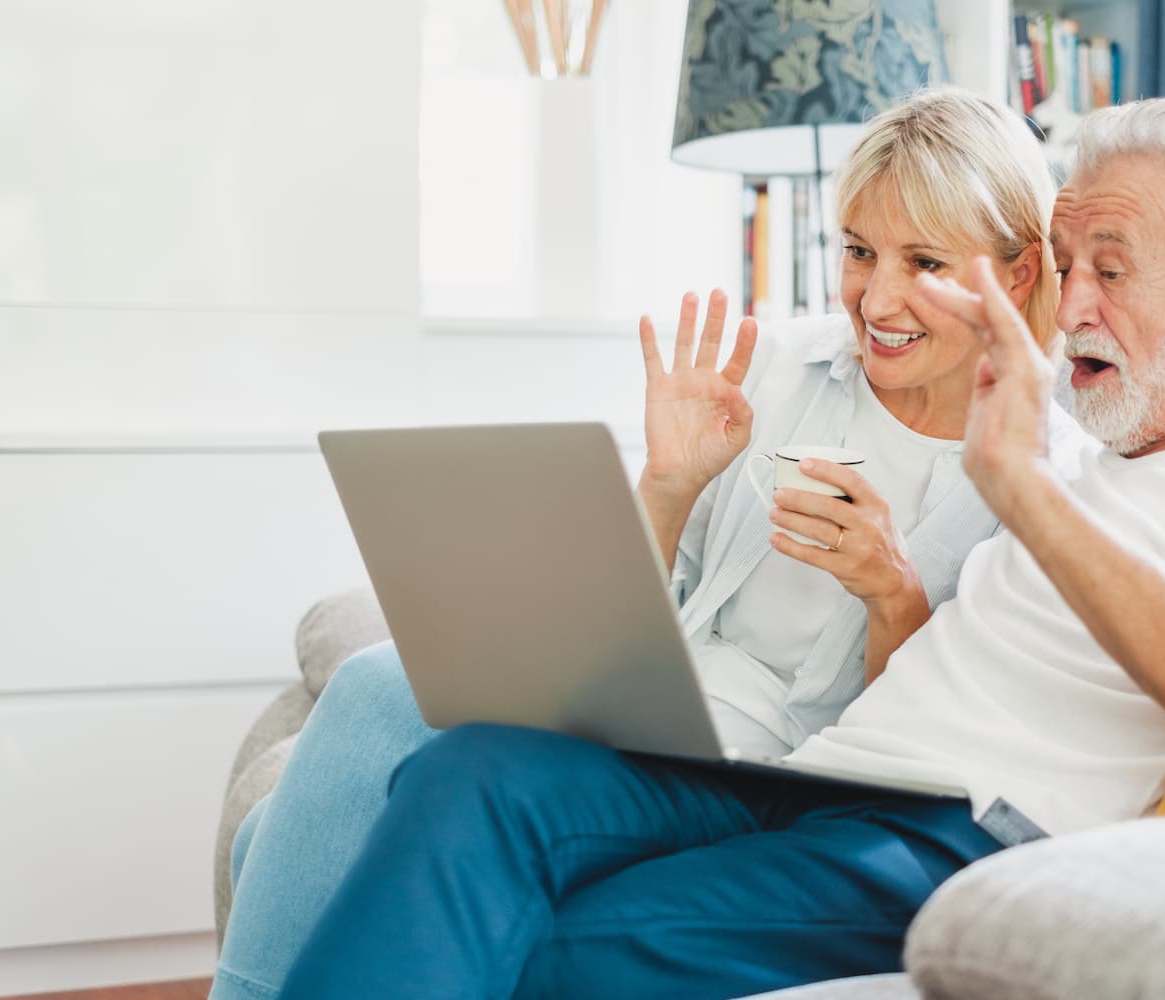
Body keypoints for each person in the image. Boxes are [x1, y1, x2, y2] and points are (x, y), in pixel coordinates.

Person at [274, 98, 1165, 1000]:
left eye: (1111, 266)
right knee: (472, 771)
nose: (1076, 305)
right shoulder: (1077, 457)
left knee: (558, 952)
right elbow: (910, 678)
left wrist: (1029, 496)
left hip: (965, 833)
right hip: (817, 779)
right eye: (1067, 265)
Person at [211, 86, 1070, 1000]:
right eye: (858, 252)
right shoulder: (782, 367)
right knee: (370, 688)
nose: (879, 297)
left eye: (925, 261)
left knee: (286, 829)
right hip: (657, 713)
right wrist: (669, 484)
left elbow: (921, 744)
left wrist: (892, 592)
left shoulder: (1037, 469)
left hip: (790, 777)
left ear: (1015, 274)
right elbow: (642, 607)